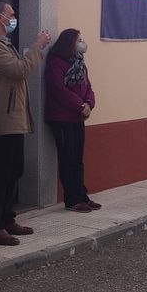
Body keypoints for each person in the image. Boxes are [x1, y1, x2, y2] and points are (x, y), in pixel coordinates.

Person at [0, 0, 51, 246]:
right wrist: (37, 47)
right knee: (0, 173)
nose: (14, 18)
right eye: (11, 14)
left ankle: (7, 218)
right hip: (2, 118)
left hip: (14, 117)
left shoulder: (3, 43)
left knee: (14, 170)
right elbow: (19, 70)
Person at [45, 29, 99, 213]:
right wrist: (79, 105)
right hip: (62, 118)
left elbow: (88, 86)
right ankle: (72, 200)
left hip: (78, 117)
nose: (82, 44)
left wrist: (89, 104)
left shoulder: (79, 63)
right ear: (69, 43)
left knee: (78, 159)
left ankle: (82, 195)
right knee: (68, 158)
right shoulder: (56, 63)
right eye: (79, 41)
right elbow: (58, 90)